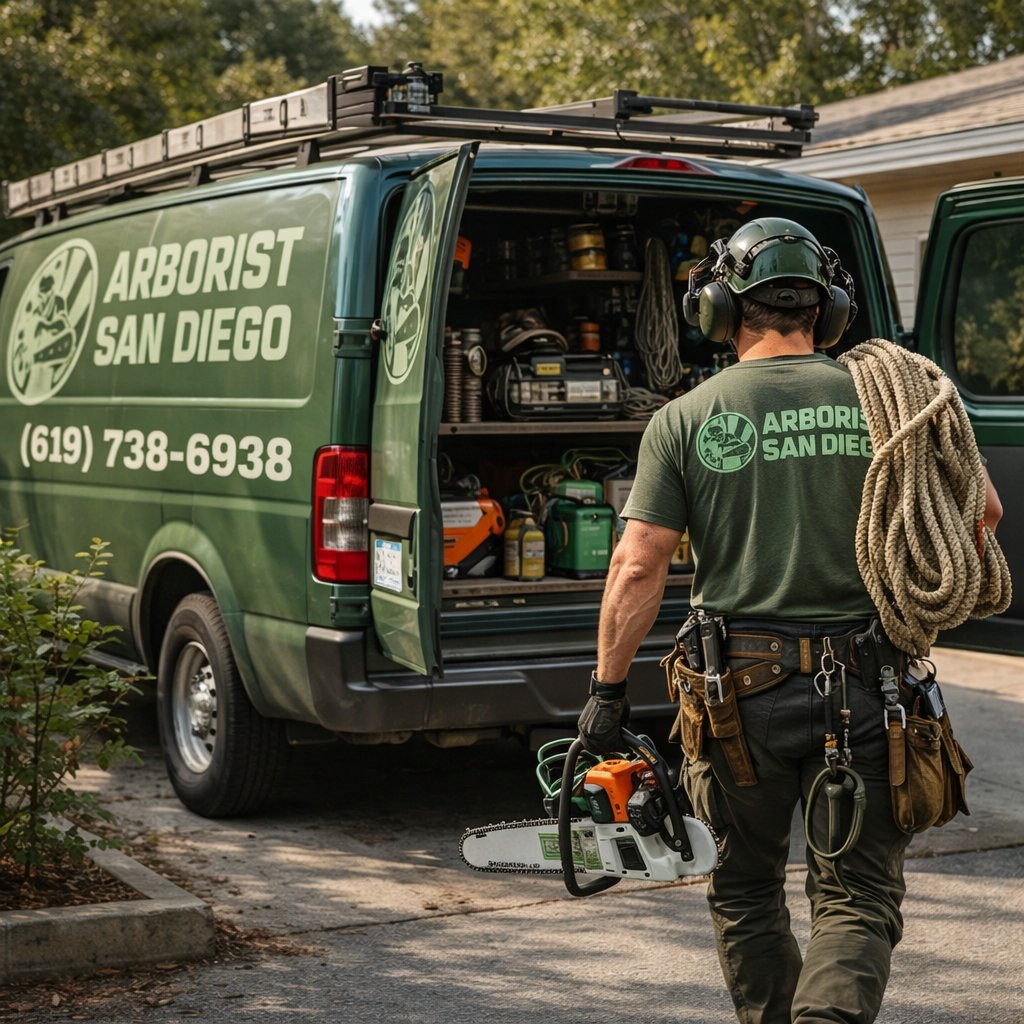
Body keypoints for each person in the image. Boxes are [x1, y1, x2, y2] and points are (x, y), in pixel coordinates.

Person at [577, 217, 1002, 1024]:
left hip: (737, 696)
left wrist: (606, 692)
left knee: (744, 890)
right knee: (856, 900)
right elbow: (983, 511)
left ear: (719, 312)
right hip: (875, 690)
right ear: (830, 312)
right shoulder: (895, 400)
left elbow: (638, 564)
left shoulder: (685, 417)